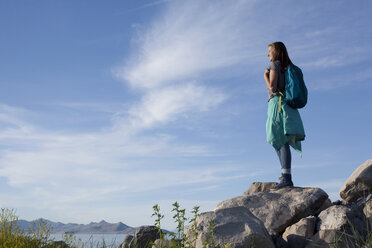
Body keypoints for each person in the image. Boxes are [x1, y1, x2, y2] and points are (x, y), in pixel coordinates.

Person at [264, 42, 305, 190]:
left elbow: (272, 87)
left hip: (277, 103)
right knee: (281, 139)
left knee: (279, 139)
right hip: (286, 105)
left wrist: (265, 76)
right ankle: (285, 175)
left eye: (269, 51)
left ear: (275, 51)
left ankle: (286, 177)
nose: (268, 54)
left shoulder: (275, 65)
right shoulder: (286, 66)